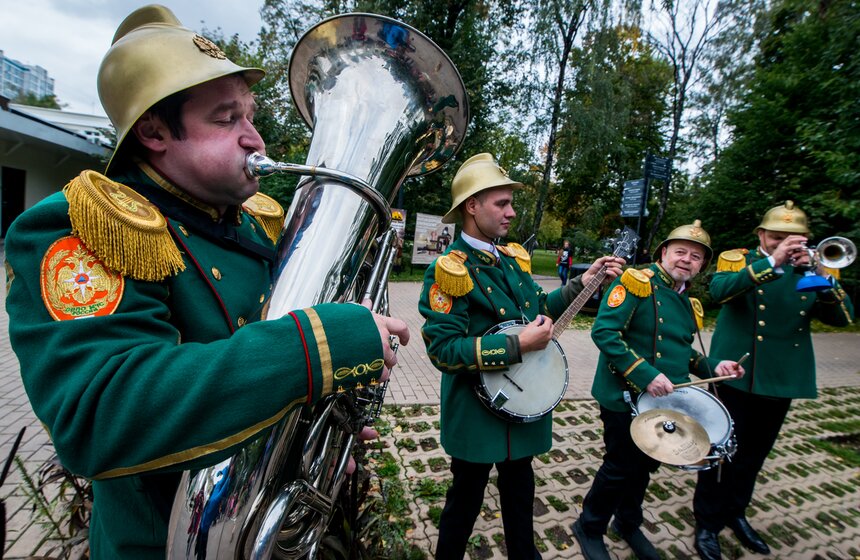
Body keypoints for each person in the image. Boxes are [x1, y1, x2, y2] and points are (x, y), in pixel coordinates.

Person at [3, 6, 409, 560]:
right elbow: (96, 414)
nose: (254, 138)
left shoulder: (250, 221)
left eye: (249, 114)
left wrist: (315, 432)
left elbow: (257, 372)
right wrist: (316, 348)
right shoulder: (88, 224)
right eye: (226, 119)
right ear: (152, 131)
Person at [418, 153, 625, 559]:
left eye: (511, 203)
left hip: (523, 402)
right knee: (464, 502)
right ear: (472, 206)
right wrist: (517, 346)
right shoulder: (448, 269)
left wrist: (584, 281)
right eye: (502, 203)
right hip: (478, 413)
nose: (512, 212)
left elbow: (536, 310)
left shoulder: (510, 258)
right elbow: (443, 350)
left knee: (520, 495)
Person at [572, 220, 746, 560]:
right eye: (680, 251)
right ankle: (589, 526)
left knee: (646, 464)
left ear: (702, 266)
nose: (686, 260)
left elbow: (685, 353)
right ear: (664, 252)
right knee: (620, 466)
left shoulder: (686, 302)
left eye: (696, 256)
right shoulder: (637, 282)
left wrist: (717, 368)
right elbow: (605, 332)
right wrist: (645, 374)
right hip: (624, 396)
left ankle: (627, 521)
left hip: (664, 402)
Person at [692, 201, 854, 560]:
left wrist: (823, 280)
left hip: (780, 378)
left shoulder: (818, 266)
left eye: (793, 239)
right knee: (719, 452)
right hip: (736, 376)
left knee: (753, 455)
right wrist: (773, 262)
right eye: (777, 237)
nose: (786, 243)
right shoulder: (741, 259)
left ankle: (735, 513)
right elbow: (719, 292)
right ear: (762, 235)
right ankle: (706, 522)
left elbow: (843, 318)